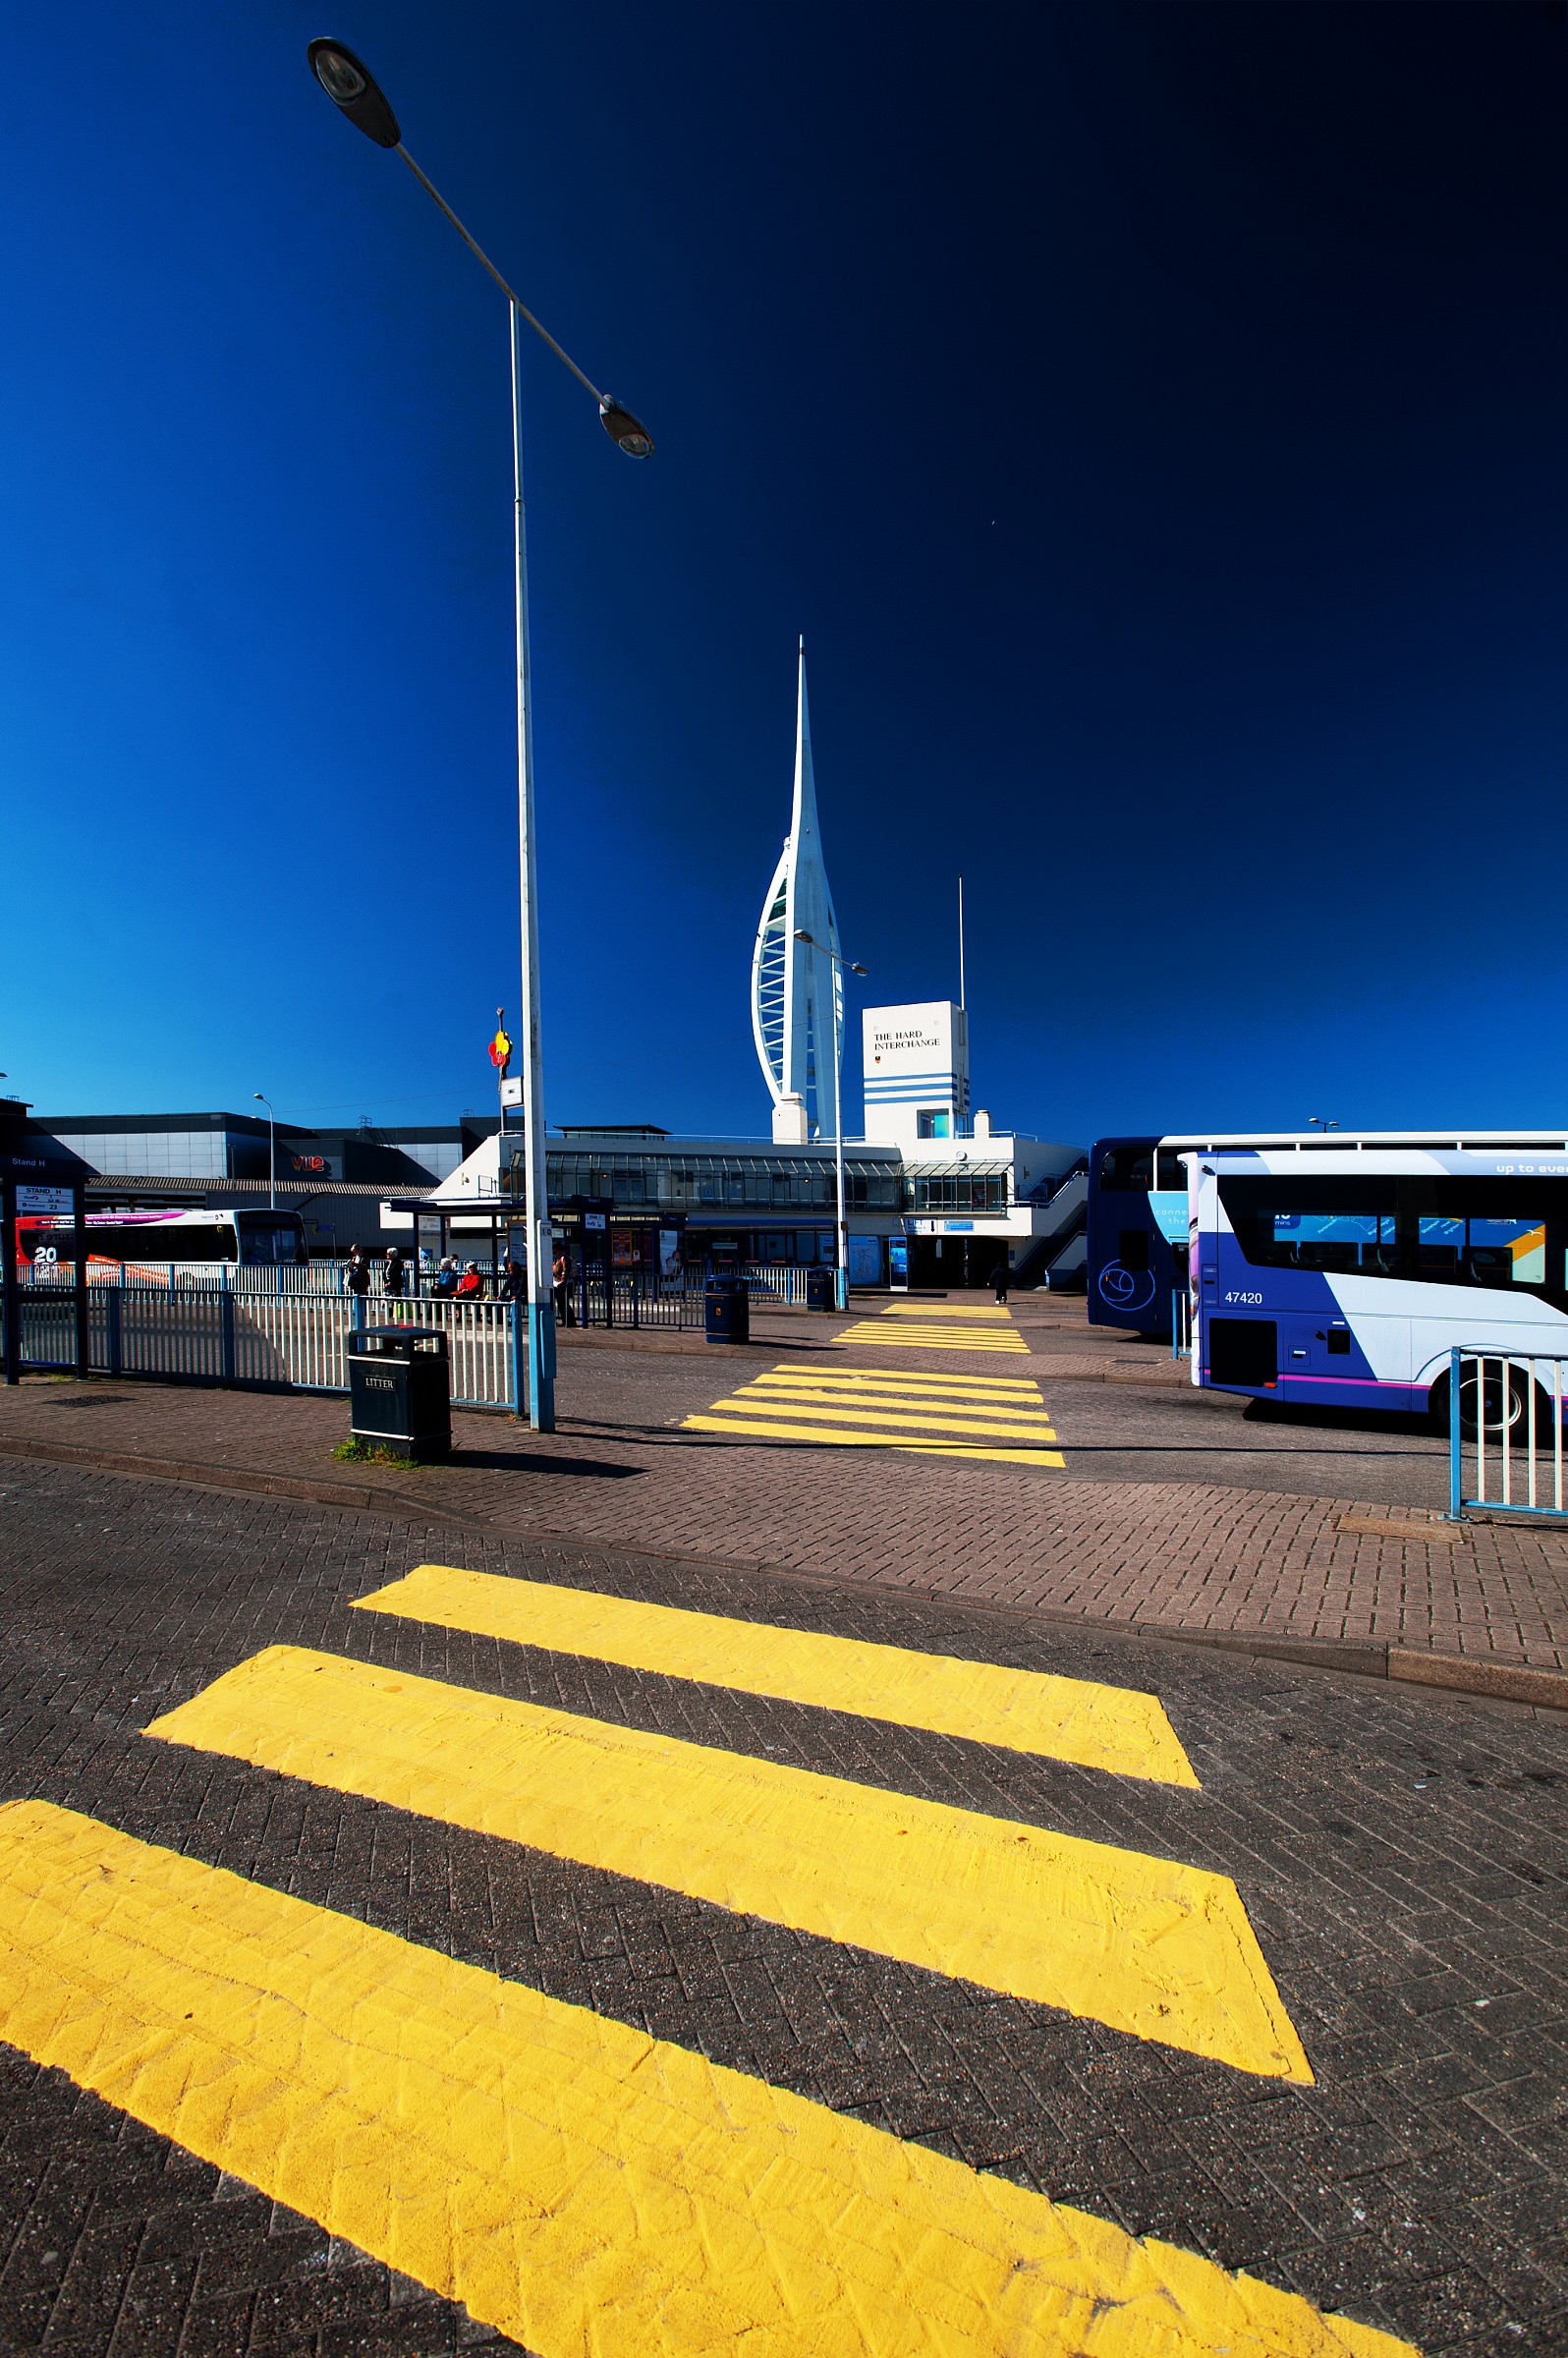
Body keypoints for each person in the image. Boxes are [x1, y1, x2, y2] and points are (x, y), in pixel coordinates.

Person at [553, 1248, 569, 1325]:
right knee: (560, 1303)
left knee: (562, 1303)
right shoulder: (557, 1259)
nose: (555, 1253)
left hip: (562, 1283)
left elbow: (565, 1270)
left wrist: (563, 1280)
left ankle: (567, 1320)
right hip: (556, 1282)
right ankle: (564, 1320)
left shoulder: (564, 1259)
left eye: (556, 1252)